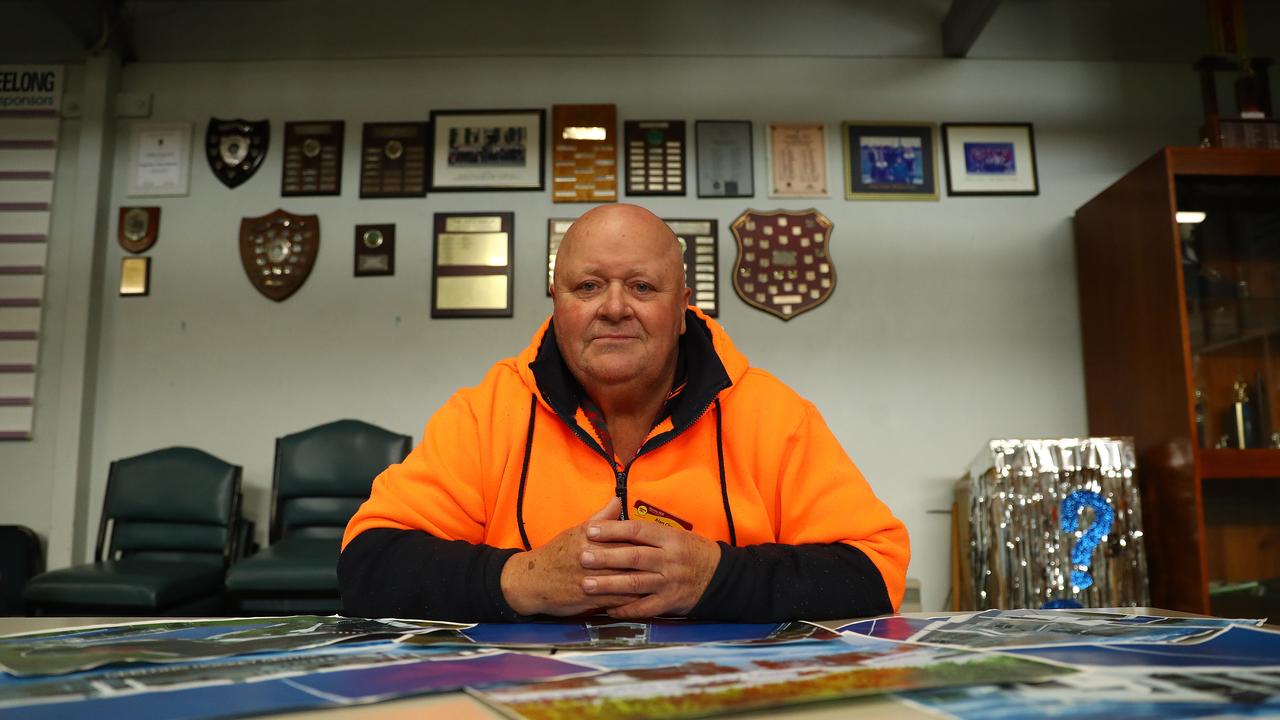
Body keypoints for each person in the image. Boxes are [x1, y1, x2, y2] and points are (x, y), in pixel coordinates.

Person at [339, 203, 909, 622]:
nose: (614, 308)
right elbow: (368, 566)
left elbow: (874, 572)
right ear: (557, 303)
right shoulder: (485, 414)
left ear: (683, 307)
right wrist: (525, 579)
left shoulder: (771, 414)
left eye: (642, 286)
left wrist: (717, 577)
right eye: (587, 286)